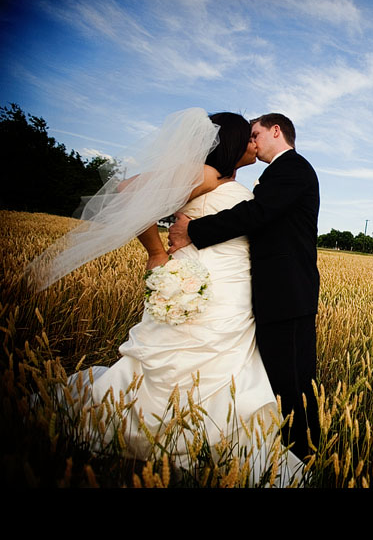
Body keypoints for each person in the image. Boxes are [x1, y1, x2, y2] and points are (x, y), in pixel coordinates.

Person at [29, 108, 303, 486]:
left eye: (258, 136)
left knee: (225, 366)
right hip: (200, 282)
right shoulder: (207, 174)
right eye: (249, 137)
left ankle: (198, 438)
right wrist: (156, 252)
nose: (255, 143)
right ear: (233, 142)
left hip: (232, 290)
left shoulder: (229, 179)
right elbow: (128, 192)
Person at [168, 113, 320, 460]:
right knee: (282, 380)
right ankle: (288, 453)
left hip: (287, 295)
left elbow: (256, 215)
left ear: (276, 131)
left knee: (293, 382)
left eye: (256, 134)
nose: (252, 142)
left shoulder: (293, 168)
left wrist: (194, 231)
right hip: (277, 294)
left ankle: (302, 458)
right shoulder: (280, 173)